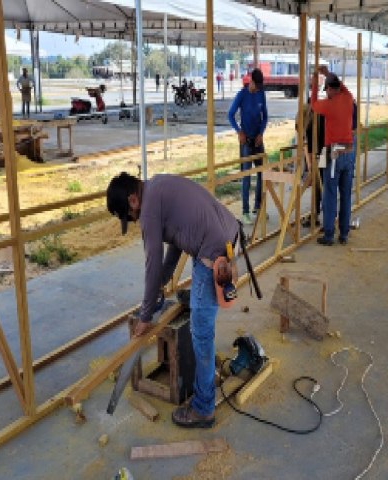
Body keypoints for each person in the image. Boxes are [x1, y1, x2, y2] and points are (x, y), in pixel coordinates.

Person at [106, 171, 240, 428]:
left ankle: (203, 409)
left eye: (131, 217)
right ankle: (204, 378)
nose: (135, 222)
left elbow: (152, 262)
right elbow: (178, 241)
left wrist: (145, 316)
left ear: (133, 200)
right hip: (227, 233)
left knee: (200, 330)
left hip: (212, 251)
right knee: (200, 317)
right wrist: (163, 282)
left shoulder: (147, 210)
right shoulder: (158, 186)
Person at [310, 66, 355, 246]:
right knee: (345, 195)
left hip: (334, 153)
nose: (325, 94)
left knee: (330, 194)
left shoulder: (328, 105)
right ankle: (343, 233)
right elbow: (342, 87)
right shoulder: (348, 98)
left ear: (329, 88)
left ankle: (329, 234)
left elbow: (313, 104)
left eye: (325, 90)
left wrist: (314, 83)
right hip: (349, 152)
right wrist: (328, 74)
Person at [228, 67, 268, 225]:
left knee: (262, 173)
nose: (257, 89)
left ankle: (257, 207)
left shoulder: (261, 94)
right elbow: (230, 115)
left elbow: (265, 116)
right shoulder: (242, 95)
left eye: (259, 87)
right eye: (256, 86)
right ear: (250, 81)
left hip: (258, 140)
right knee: (246, 175)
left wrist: (261, 133)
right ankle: (245, 211)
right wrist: (239, 132)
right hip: (246, 141)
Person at [297, 99, 325, 228]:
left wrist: (309, 164)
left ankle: (318, 215)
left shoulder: (310, 122)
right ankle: (319, 214)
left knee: (319, 185)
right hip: (323, 153)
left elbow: (307, 146)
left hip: (319, 154)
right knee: (321, 185)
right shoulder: (319, 114)